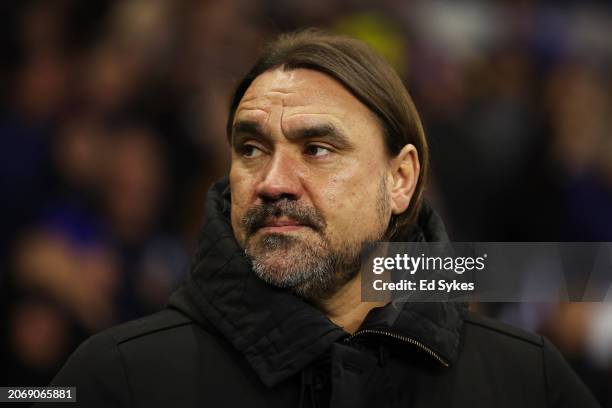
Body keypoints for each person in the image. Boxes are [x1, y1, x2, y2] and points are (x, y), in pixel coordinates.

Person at [43, 30, 600, 408]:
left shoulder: (530, 381)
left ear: (401, 180)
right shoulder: (114, 379)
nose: (272, 181)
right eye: (251, 148)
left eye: (316, 148)